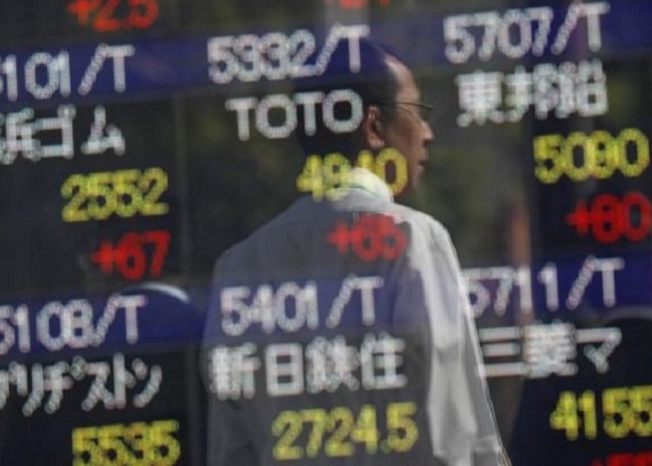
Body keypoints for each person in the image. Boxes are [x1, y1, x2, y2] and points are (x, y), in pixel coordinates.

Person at [201, 38, 508, 465]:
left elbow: (232, 450)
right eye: (418, 113)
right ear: (374, 127)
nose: (428, 133)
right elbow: (451, 436)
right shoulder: (413, 240)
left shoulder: (238, 267)